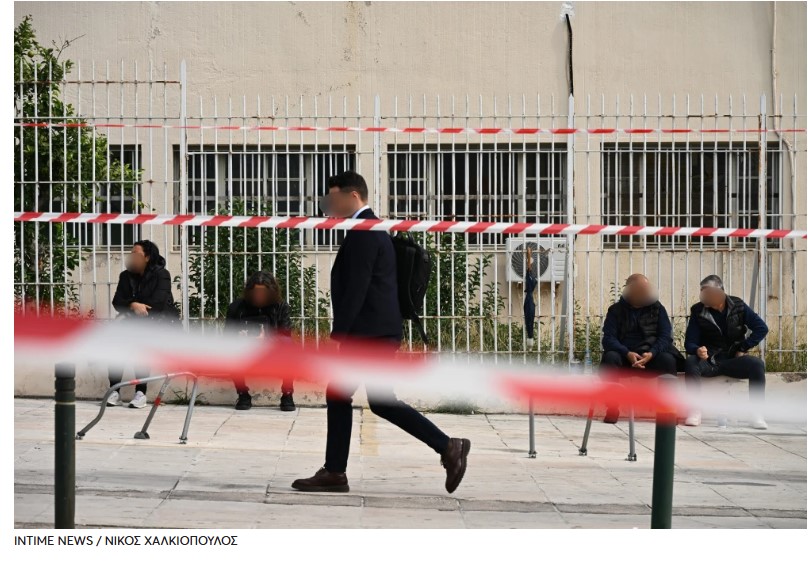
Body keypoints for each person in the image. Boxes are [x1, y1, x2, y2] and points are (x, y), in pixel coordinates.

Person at [292, 171, 470, 494]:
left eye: (333, 198)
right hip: (376, 332)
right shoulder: (367, 228)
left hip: (368, 335)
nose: (329, 205)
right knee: (378, 400)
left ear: (353, 196)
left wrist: (339, 336)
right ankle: (447, 446)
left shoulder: (365, 231)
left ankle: (336, 470)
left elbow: (356, 290)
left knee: (344, 394)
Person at [683, 275, 769, 429]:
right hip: (709, 360)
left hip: (733, 359)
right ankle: (695, 410)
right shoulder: (698, 310)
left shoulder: (738, 306)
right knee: (691, 363)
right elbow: (689, 342)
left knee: (757, 364)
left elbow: (761, 328)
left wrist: (743, 347)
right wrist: (697, 350)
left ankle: (757, 413)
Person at [599, 273, 684, 423]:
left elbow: (666, 337)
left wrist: (652, 353)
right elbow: (608, 339)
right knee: (610, 358)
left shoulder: (657, 308)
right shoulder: (615, 310)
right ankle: (612, 408)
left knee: (668, 360)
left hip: (650, 356)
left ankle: (668, 410)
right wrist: (627, 353)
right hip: (625, 357)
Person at [109, 240, 179, 408]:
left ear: (147, 257)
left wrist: (132, 304)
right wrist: (133, 304)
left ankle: (140, 393)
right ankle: (114, 391)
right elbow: (117, 301)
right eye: (131, 253)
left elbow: (157, 305)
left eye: (136, 254)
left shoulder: (162, 275)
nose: (132, 257)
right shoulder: (125, 276)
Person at [224, 271, 295, 411]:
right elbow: (226, 336)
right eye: (256, 292)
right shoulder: (236, 307)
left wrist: (267, 338)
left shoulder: (281, 307)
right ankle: (243, 394)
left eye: (263, 293)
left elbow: (286, 335)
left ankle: (287, 394)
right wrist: (238, 336)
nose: (259, 296)